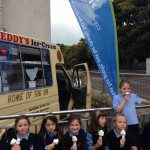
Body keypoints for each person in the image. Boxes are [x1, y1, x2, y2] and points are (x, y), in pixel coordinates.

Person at [113, 80, 150, 149]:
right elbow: (118, 110)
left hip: (135, 123)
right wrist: (124, 100)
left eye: (128, 88)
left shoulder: (133, 96)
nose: (126, 90)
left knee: (137, 142)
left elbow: (141, 101)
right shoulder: (116, 97)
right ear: (120, 89)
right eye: (124, 88)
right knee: (127, 144)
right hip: (124, 125)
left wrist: (149, 102)